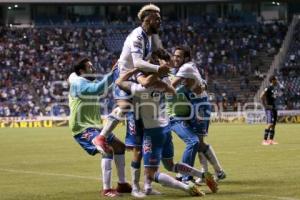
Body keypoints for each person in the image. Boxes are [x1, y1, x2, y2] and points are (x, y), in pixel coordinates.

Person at [116, 68, 219, 196]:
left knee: (151, 174)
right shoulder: (164, 83)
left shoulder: (139, 89)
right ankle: (203, 175)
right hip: (166, 128)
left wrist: (135, 71)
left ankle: (187, 188)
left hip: (153, 133)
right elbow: (173, 92)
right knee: (170, 165)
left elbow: (119, 81)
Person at [92, 3, 170, 156]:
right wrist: (157, 69)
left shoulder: (148, 37)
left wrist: (162, 55)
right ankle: (101, 137)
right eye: (157, 19)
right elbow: (137, 63)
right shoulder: (137, 36)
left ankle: (132, 142)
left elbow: (146, 58)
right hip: (123, 73)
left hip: (134, 74)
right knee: (126, 106)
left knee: (136, 108)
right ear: (147, 19)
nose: (160, 22)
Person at [68, 58, 131, 197]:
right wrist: (113, 72)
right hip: (82, 127)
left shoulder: (88, 81)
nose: (93, 69)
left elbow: (102, 87)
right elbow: (97, 89)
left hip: (95, 126)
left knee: (120, 147)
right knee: (107, 150)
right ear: (81, 71)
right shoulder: (78, 83)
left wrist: (118, 74)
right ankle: (107, 189)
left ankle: (122, 184)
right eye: (90, 67)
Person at [170, 46, 225, 184]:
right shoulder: (188, 67)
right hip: (194, 105)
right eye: (174, 55)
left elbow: (171, 85)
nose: (175, 58)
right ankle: (209, 173)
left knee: (198, 142)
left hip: (200, 106)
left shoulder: (185, 68)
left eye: (178, 56)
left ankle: (216, 172)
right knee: (198, 143)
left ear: (186, 58)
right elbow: (200, 82)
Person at [260, 75, 279, 145]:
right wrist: (265, 105)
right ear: (273, 80)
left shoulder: (275, 88)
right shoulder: (268, 88)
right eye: (276, 80)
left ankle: (271, 140)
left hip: (274, 107)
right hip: (269, 108)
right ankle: (264, 140)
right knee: (270, 123)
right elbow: (261, 96)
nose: (277, 81)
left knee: (273, 124)